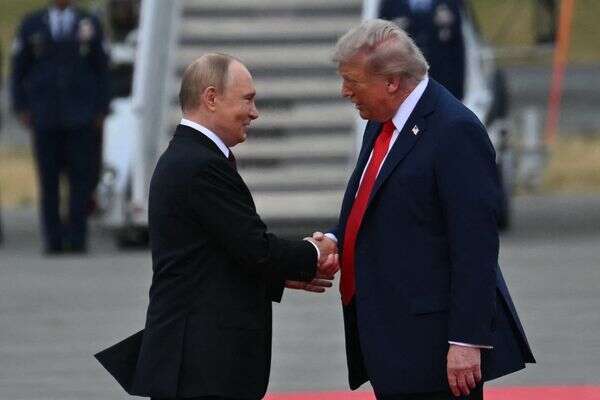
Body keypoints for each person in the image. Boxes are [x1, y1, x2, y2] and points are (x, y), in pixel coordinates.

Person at [94, 53, 339, 400]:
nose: (254, 113)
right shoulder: (200, 166)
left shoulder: (191, 157)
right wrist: (316, 250)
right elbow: (256, 248)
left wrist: (282, 275)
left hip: (199, 360)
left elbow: (216, 256)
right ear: (211, 98)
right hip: (201, 364)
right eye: (247, 100)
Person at [312, 19, 535, 400]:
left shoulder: (455, 131)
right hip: (391, 338)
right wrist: (336, 238)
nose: (345, 91)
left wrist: (466, 341)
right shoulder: (382, 121)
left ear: (391, 82)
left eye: (352, 81)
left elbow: (475, 246)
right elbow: (377, 204)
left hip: (433, 346)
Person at [10, 0, 109, 254]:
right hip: (45, 116)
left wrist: (100, 108)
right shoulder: (32, 24)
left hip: (81, 116)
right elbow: (19, 69)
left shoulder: (89, 23)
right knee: (49, 180)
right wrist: (21, 106)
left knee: (80, 179)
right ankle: (53, 239)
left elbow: (102, 69)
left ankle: (77, 238)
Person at [379, 0, 466, 100]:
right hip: (403, 84)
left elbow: (458, 46)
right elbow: (380, 45)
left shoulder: (451, 3)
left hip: (443, 84)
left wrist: (458, 93)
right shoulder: (390, 3)